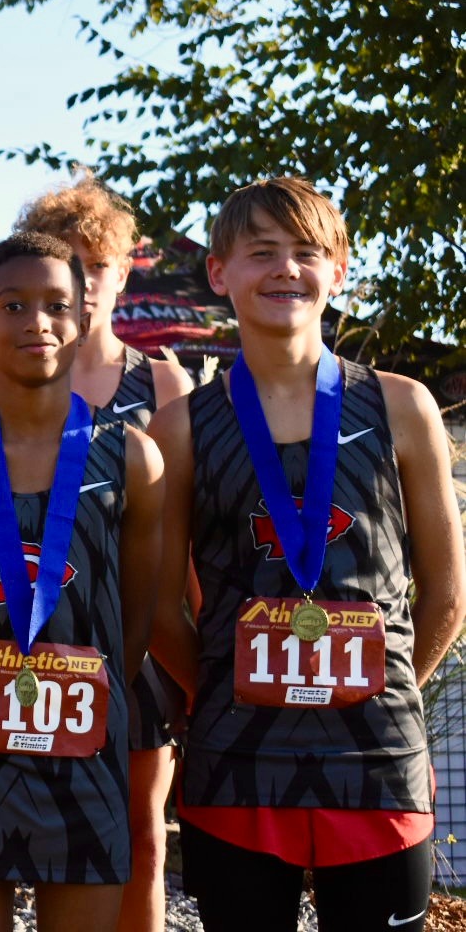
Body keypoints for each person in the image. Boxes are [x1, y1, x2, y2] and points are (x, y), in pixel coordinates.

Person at [148, 178, 466, 932]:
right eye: (261, 252)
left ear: (340, 271)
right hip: (238, 761)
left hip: (377, 758)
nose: (286, 268)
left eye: (306, 252)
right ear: (219, 272)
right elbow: (158, 608)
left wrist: (380, 684)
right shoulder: (181, 426)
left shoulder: (402, 405)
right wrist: (226, 688)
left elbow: (447, 592)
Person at [0, 231, 165, 931]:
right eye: (13, 305)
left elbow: (136, 616)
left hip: (86, 749)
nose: (37, 322)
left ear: (82, 317)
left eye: (56, 305)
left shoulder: (132, 457)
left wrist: (70, 678)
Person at [13, 177, 192, 932]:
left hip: (135, 640)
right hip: (29, 634)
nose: (84, 283)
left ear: (124, 272)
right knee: (29, 835)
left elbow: (184, 538)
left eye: (98, 265)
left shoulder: (164, 380)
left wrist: (193, 660)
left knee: (141, 838)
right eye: (68, 264)